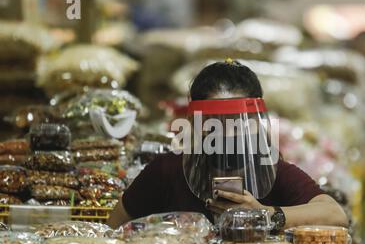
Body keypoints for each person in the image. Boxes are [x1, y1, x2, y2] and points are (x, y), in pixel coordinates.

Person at [108, 60, 348, 230]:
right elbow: (114, 227)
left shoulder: (271, 169)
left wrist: (264, 214)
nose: (225, 133)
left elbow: (334, 214)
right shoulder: (168, 170)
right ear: (194, 121)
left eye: (236, 122)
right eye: (213, 123)